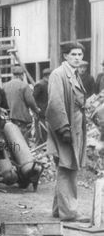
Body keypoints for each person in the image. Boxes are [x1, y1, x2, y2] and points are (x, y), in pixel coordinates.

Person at [46, 42, 89, 223]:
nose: (77, 57)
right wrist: (63, 128)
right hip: (66, 127)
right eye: (73, 54)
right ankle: (70, 212)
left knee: (67, 166)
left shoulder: (74, 73)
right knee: (67, 167)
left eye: (79, 54)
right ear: (65, 56)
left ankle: (59, 209)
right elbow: (55, 103)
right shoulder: (59, 74)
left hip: (75, 126)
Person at [3, 66, 40, 140]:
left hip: (8, 117)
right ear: (22, 75)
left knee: (11, 139)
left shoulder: (5, 85)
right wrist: (36, 110)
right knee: (23, 139)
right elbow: (30, 101)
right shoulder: (24, 85)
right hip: (21, 117)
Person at [33, 68, 51, 144]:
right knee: (41, 130)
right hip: (41, 112)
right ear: (47, 76)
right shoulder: (40, 84)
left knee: (47, 130)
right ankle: (40, 144)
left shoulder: (49, 84)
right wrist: (36, 109)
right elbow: (33, 98)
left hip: (48, 112)